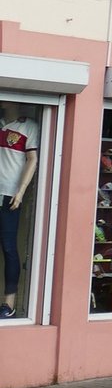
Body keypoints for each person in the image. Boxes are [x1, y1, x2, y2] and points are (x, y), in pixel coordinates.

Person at [0, 103, 40, 320]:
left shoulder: (29, 126)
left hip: (8, 195)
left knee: (8, 248)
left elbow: (32, 159)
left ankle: (9, 303)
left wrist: (21, 191)